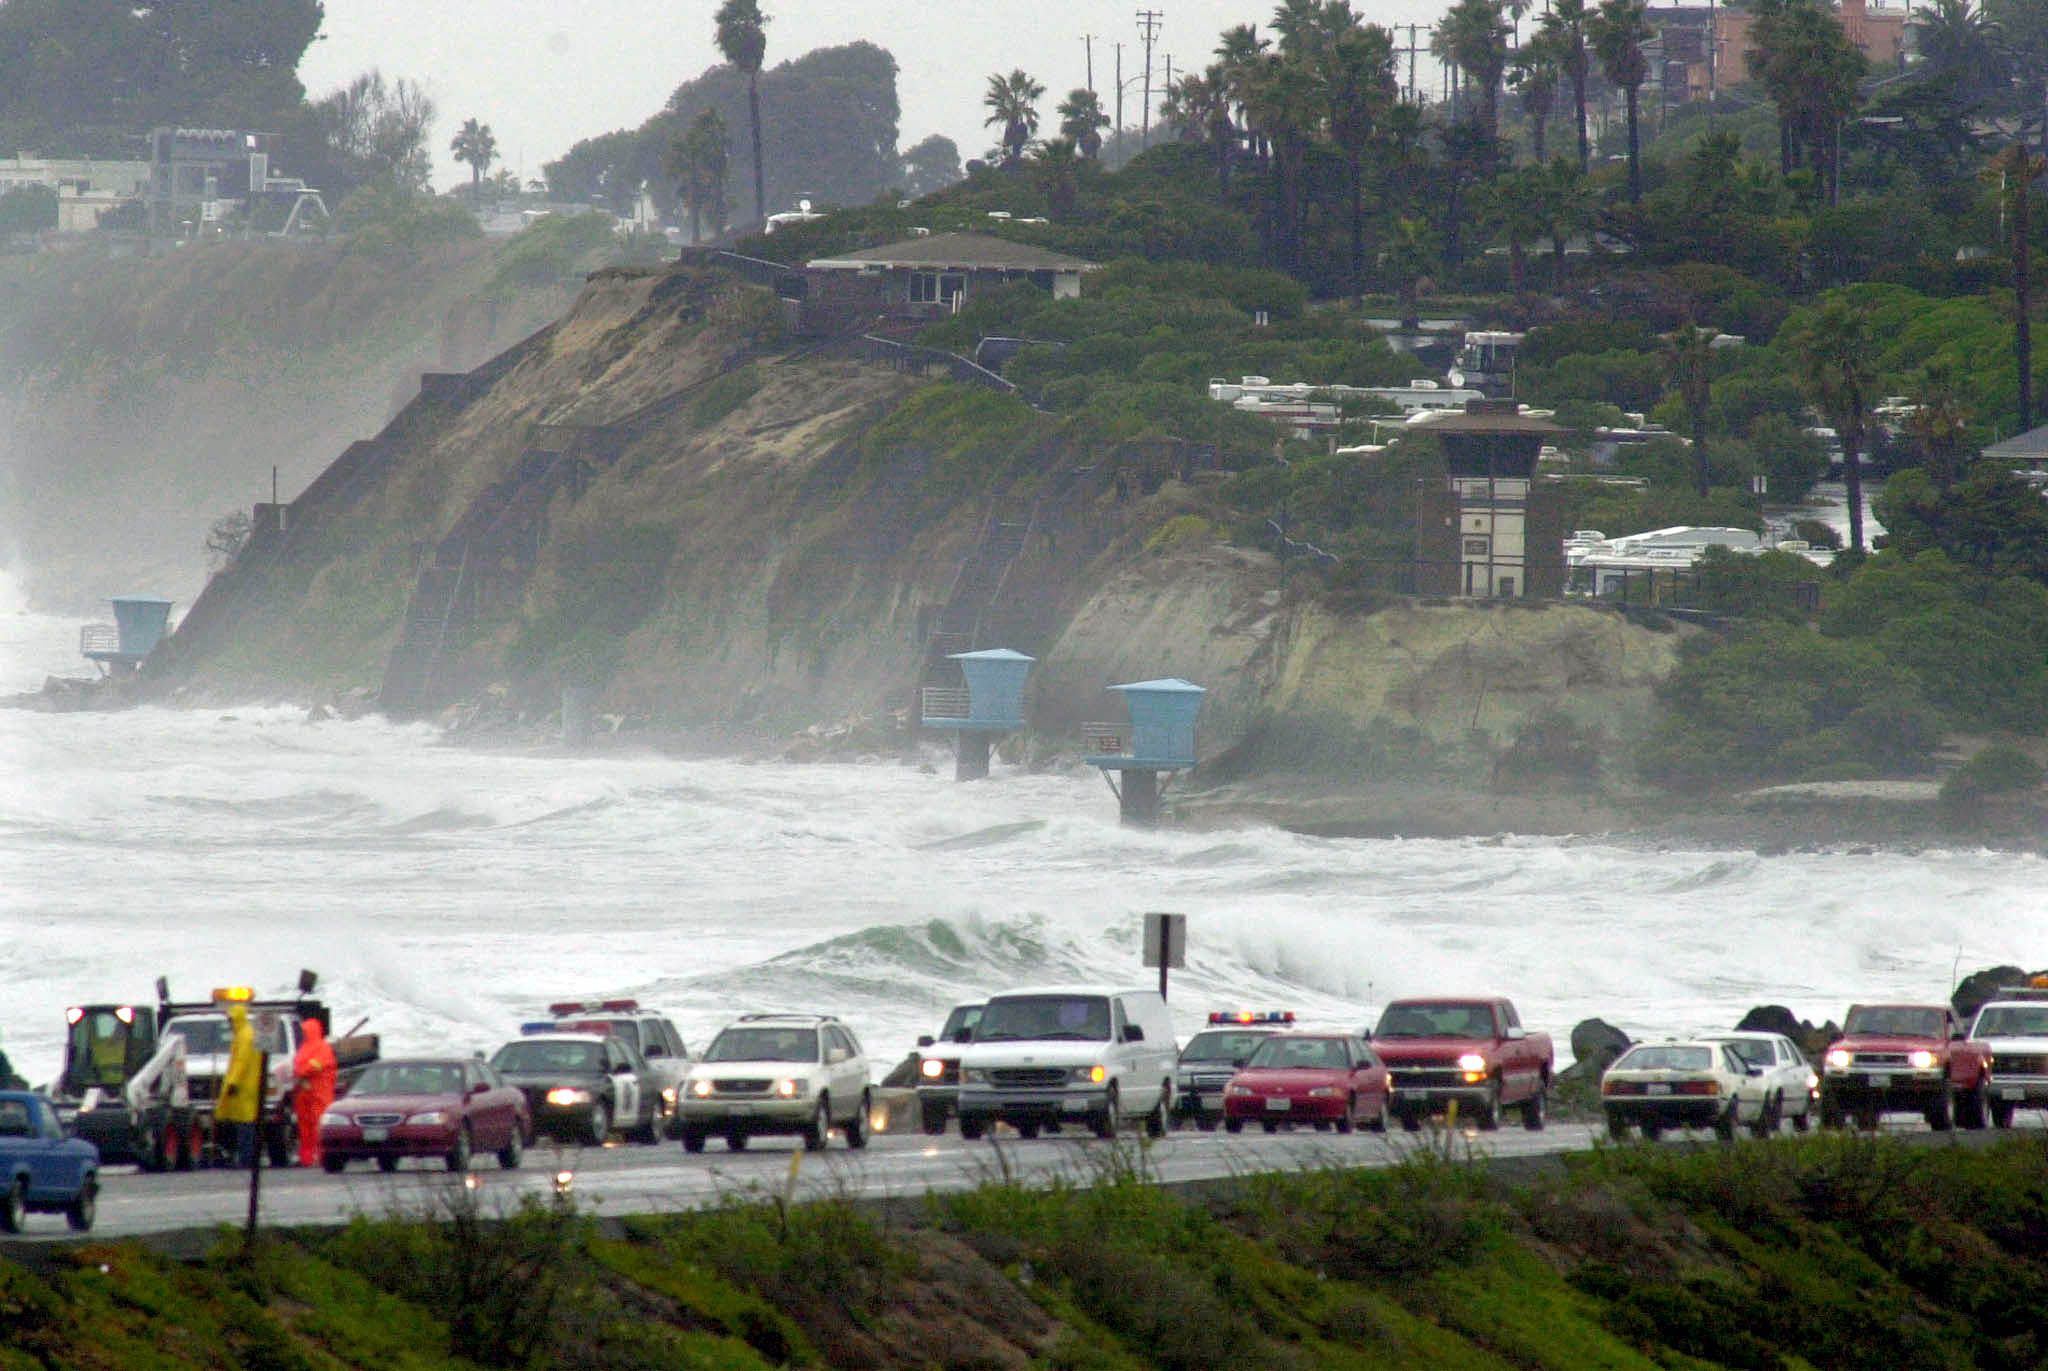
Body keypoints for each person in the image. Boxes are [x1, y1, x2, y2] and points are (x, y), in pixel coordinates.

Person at [216, 1003, 263, 1168]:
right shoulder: (243, 1034)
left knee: (246, 1124)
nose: (229, 1023)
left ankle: (247, 1158)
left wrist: (233, 1082)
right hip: (246, 1085)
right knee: (244, 1123)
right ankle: (246, 1157)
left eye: (231, 1019)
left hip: (245, 1086)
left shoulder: (245, 1036)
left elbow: (241, 1062)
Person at [292, 1018, 336, 1168]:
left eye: (305, 1031)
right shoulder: (304, 1047)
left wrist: (302, 1071)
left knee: (319, 1124)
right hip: (304, 1091)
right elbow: (298, 1064)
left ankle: (321, 1155)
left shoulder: (323, 1047)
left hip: (319, 1091)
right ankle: (306, 1157)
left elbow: (316, 1064)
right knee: (304, 1126)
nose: (303, 1034)